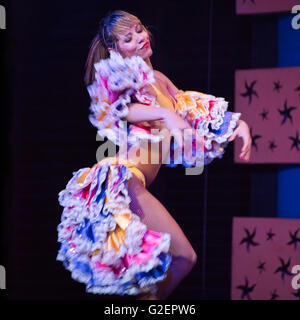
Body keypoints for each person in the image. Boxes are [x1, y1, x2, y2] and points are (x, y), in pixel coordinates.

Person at [56, 10, 251, 300]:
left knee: (154, 274)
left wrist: (239, 124)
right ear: (116, 49)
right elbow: (119, 109)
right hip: (124, 178)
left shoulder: (159, 79)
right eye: (128, 37)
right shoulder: (124, 77)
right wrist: (162, 113)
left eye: (139, 29)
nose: (140, 37)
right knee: (183, 257)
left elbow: (194, 110)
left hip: (135, 182)